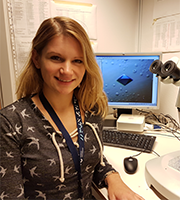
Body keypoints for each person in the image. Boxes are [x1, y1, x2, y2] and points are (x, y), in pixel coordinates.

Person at [0, 16, 144, 200]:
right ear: (37, 59)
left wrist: (113, 178)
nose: (67, 70)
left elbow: (90, 160)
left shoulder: (92, 109)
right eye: (56, 58)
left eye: (77, 60)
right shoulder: (10, 122)